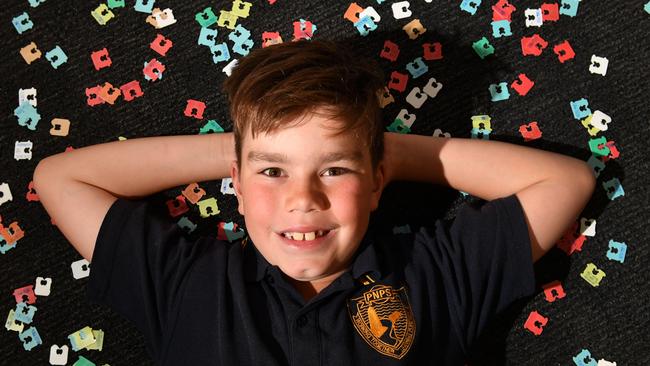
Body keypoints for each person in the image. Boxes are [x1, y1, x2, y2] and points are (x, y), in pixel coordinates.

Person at [33, 39, 596, 365]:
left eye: (333, 170)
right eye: (272, 172)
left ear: (378, 182)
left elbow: (565, 182)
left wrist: (379, 148)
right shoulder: (186, 283)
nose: (302, 199)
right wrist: (248, 142)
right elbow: (61, 178)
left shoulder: (436, 276)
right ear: (235, 178)